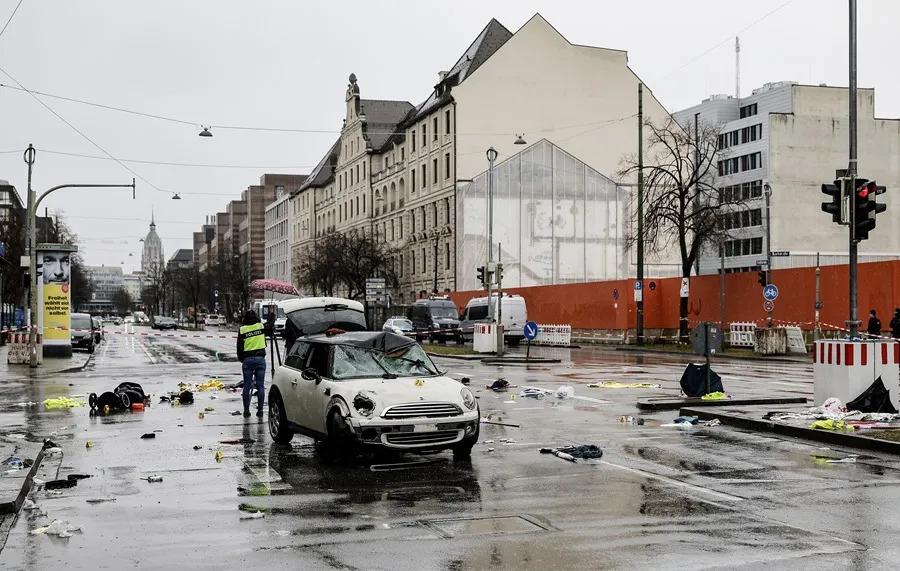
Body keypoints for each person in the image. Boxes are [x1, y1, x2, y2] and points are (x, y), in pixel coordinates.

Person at [237, 310, 266, 418]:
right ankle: (260, 411)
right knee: (260, 386)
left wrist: (242, 360)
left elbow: (239, 347)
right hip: (260, 359)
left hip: (247, 360)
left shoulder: (242, 329)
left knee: (247, 386)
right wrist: (272, 316)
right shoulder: (260, 326)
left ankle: (246, 411)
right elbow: (271, 326)